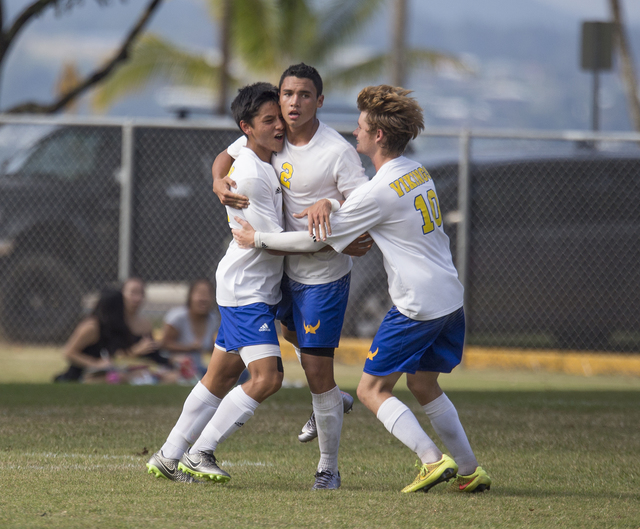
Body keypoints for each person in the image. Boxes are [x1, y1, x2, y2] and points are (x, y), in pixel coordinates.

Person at [232, 85, 492, 494]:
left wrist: (259, 240)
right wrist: (331, 204)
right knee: (424, 384)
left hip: (416, 305)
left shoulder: (378, 190)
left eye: (361, 128)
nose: (356, 134)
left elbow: (316, 240)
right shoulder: (414, 171)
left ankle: (430, 460)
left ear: (379, 137)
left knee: (371, 389)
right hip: (449, 298)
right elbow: (363, 203)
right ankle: (470, 469)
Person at [211, 63, 371, 490]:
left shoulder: (337, 151)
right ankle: (335, 401)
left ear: (319, 100)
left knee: (317, 373)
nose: (293, 102)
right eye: (287, 94)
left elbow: (363, 208)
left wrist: (333, 209)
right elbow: (228, 155)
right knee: (293, 344)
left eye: (304, 94)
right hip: (279, 272)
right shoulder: (273, 131)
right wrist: (215, 181)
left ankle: (328, 469)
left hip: (321, 277)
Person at [147, 82, 287, 485]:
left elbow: (225, 155)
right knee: (267, 378)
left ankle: (168, 455)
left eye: (279, 116)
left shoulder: (249, 151)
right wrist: (331, 241)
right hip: (248, 291)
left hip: (245, 285)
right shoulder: (253, 177)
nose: (279, 125)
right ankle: (200, 453)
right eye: (269, 120)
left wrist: (215, 176)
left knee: (220, 378)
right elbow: (273, 245)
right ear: (248, 126)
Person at [54, 277, 172, 384]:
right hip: (82, 375)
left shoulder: (114, 327)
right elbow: (69, 352)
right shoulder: (91, 327)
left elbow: (116, 356)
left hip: (107, 371)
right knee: (120, 378)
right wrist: (96, 364)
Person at [161, 279, 220, 380]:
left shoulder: (213, 319)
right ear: (190, 296)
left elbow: (211, 348)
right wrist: (189, 347)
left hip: (201, 365)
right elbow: (164, 345)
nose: (204, 298)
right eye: (200, 293)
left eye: (208, 294)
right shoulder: (177, 317)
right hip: (175, 365)